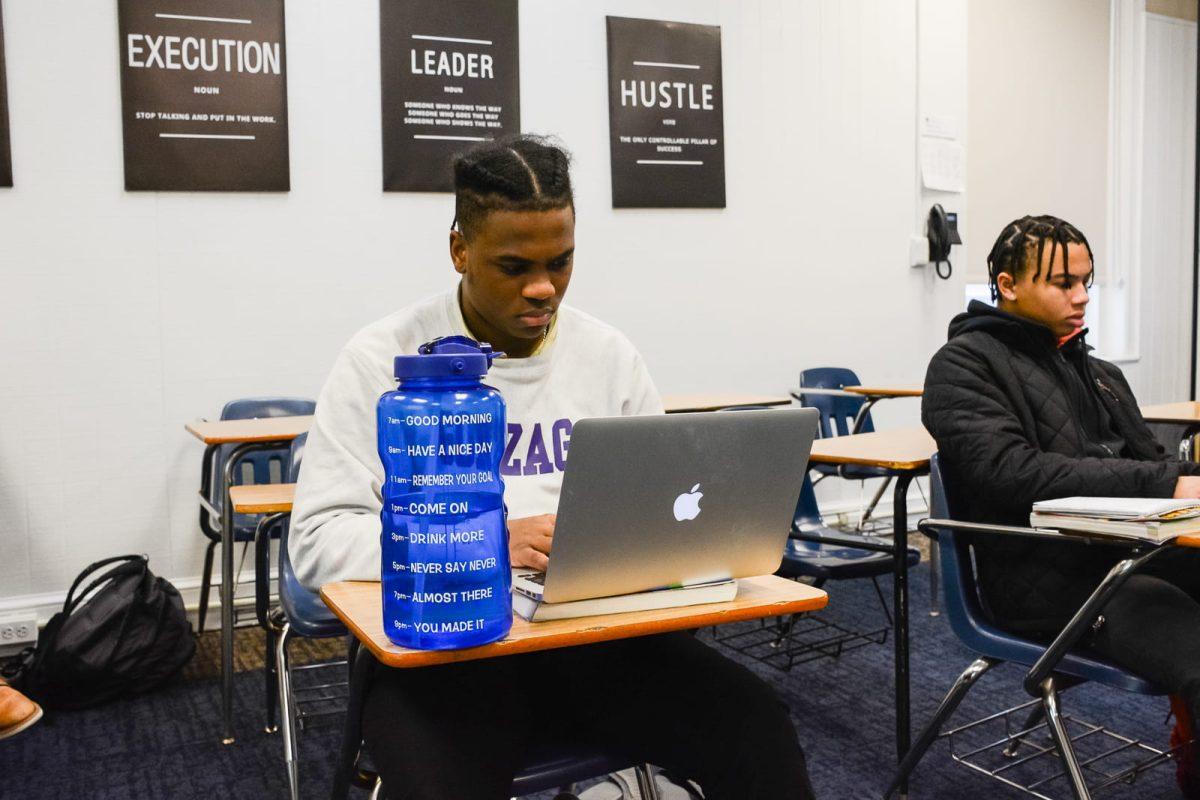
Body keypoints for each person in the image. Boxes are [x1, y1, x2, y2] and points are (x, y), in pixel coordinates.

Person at [290, 135, 816, 800]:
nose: (543, 288)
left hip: (600, 647)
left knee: (756, 731)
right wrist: (487, 542)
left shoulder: (609, 356)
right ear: (460, 251)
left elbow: (661, 511)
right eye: (513, 266)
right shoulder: (383, 361)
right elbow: (315, 544)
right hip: (447, 658)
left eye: (560, 262)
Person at [922, 214, 1200, 797]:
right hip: (1048, 576)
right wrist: (1169, 482)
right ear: (1007, 284)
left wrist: (1178, 481)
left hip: (1134, 556)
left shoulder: (1100, 375)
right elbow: (1011, 473)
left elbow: (1149, 461)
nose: (1080, 298)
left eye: (1086, 282)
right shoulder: (963, 366)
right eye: (1061, 284)